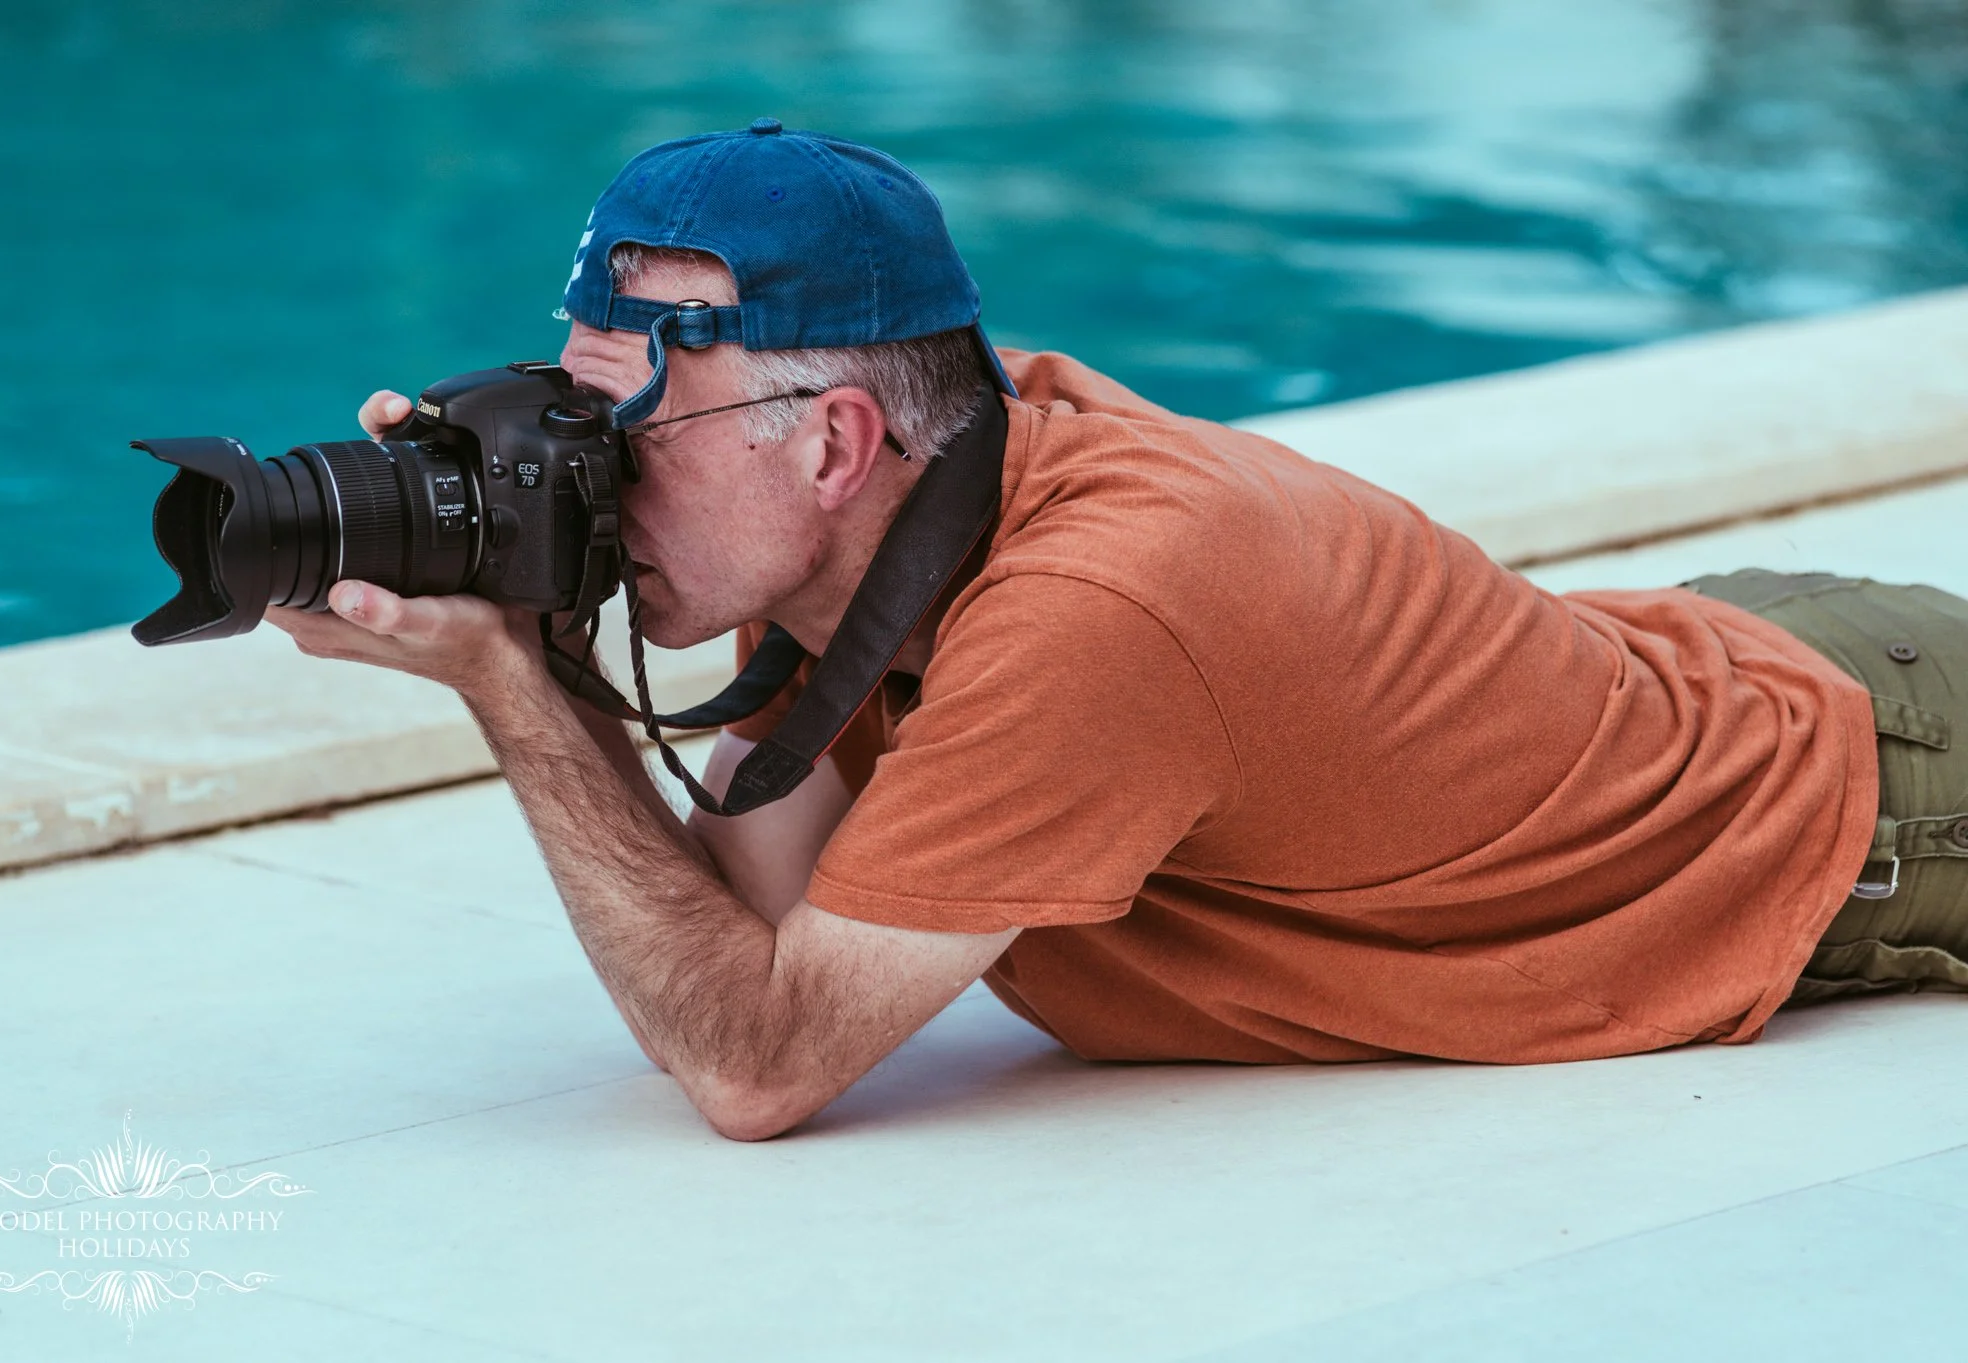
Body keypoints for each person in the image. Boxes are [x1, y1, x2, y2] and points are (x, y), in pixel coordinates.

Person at [266, 121, 1968, 1141]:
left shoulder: (1091, 612)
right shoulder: (924, 493)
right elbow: (770, 917)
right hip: (1719, 656)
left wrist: (512, 694)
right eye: (567, 424)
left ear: (839, 443)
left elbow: (756, 1057)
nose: (586, 480)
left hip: (1876, 796)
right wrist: (541, 600)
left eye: (619, 441)